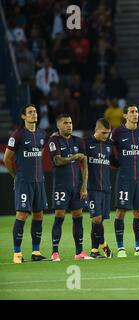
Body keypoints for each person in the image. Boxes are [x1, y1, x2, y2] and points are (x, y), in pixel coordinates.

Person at [4, 104, 49, 263]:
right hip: (24, 181)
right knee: (22, 215)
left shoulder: (42, 134)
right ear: (23, 116)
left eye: (35, 112)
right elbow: (7, 158)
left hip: (39, 181)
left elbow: (40, 154)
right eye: (30, 112)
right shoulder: (18, 135)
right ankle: (17, 254)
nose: (34, 114)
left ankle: (36, 252)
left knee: (39, 215)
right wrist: (15, 175)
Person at [111, 105, 139, 257]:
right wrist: (116, 164)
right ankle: (121, 248)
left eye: (136, 112)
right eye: (132, 112)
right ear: (125, 115)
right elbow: (109, 148)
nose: (135, 114)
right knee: (121, 212)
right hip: (124, 178)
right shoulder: (117, 132)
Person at [48, 114, 90, 261]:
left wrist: (84, 186)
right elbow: (57, 160)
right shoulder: (54, 140)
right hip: (61, 186)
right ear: (59, 125)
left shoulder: (78, 141)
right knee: (59, 217)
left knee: (78, 217)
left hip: (76, 185)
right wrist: (73, 157)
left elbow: (84, 164)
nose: (69, 125)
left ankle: (79, 252)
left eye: (70, 122)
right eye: (65, 123)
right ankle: (55, 253)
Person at [85, 118, 115, 258]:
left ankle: (94, 250)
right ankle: (104, 246)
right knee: (96, 218)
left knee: (99, 221)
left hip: (106, 187)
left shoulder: (109, 144)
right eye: (103, 133)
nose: (106, 136)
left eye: (108, 133)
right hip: (92, 188)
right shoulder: (86, 143)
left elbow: (115, 162)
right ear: (96, 130)